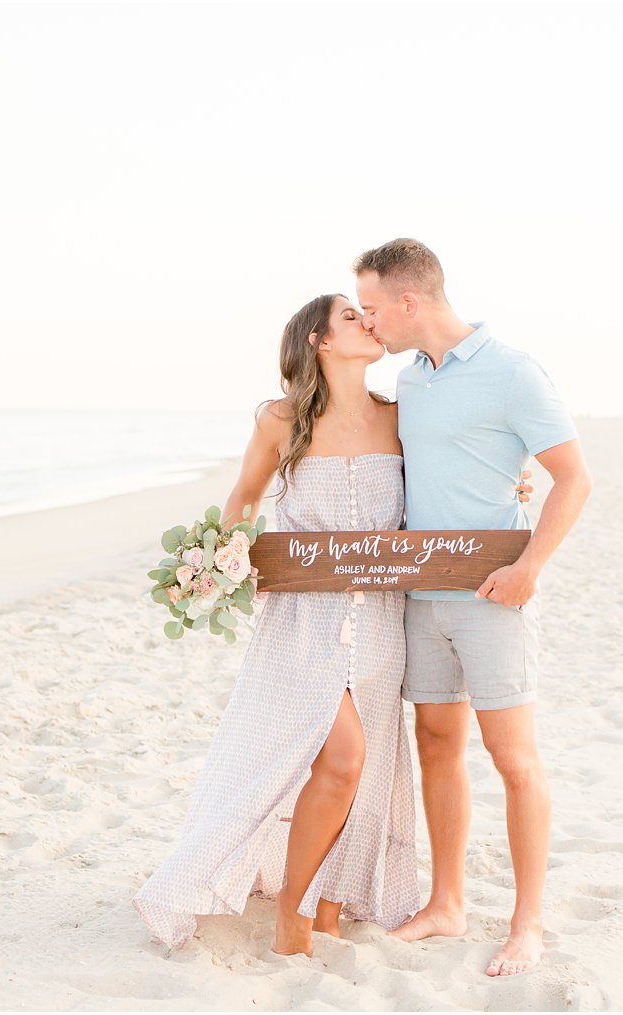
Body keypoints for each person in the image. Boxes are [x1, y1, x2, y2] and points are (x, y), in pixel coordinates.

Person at [132, 294, 532, 957]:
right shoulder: (279, 420)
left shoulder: (400, 417)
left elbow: (456, 471)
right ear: (318, 339)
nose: (369, 323)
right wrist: (222, 561)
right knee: (342, 758)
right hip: (301, 620)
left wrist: (511, 485)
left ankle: (330, 902)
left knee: (366, 768)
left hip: (380, 622)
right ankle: (293, 908)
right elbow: (243, 499)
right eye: (353, 317)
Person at [354, 239, 592, 977]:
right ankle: (447, 900)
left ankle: (528, 922)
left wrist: (529, 568)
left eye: (371, 308)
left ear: (409, 301)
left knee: (513, 757)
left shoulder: (513, 371)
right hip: (421, 597)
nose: (369, 324)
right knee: (435, 744)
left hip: (492, 595)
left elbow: (573, 479)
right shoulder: (409, 380)